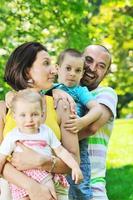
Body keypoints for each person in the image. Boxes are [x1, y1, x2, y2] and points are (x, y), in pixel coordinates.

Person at [0, 41, 79, 200]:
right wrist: (31, 186)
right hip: (14, 190)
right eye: (46, 63)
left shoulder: (60, 105)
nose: (54, 70)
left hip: (52, 189)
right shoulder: (4, 109)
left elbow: (74, 160)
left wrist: (42, 162)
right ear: (27, 71)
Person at [0, 89, 83, 200]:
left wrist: (75, 167)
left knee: (49, 196)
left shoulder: (46, 132)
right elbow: (2, 157)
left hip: (43, 174)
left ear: (42, 115)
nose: (29, 120)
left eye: (34, 114)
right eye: (23, 115)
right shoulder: (13, 136)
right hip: (21, 177)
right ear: (15, 117)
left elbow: (61, 151)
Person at [55, 48, 103, 199]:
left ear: (82, 74)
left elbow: (97, 109)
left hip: (77, 144)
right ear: (57, 68)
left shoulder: (79, 91)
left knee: (78, 185)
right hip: (53, 143)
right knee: (58, 187)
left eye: (77, 70)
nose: (72, 73)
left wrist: (82, 122)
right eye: (68, 68)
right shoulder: (48, 90)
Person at [78, 45, 117, 200]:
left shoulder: (105, 94)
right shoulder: (61, 92)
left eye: (101, 66)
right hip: (61, 185)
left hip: (93, 188)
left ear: (106, 73)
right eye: (88, 60)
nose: (92, 68)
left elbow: (90, 127)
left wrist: (49, 143)